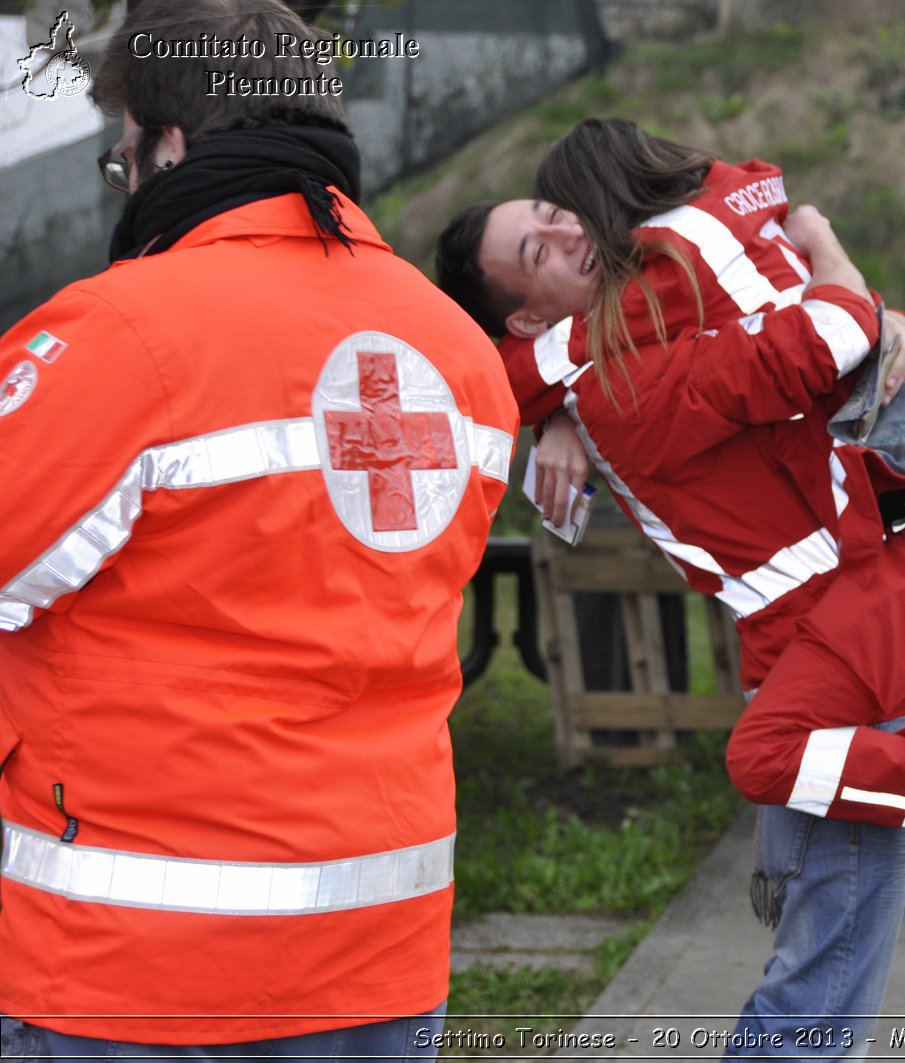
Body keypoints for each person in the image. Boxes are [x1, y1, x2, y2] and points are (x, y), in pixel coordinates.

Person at [436, 119, 905, 1046]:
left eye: (557, 213)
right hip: (888, 569)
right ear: (526, 315)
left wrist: (833, 261)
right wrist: (557, 414)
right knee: (834, 887)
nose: (574, 232)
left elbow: (826, 335)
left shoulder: (642, 335)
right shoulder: (623, 351)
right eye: (539, 247)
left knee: (801, 889)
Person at [0, 1, 518, 1058]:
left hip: (132, 966)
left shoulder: (123, 330)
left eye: (122, 163)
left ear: (170, 144)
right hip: (382, 948)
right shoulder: (458, 352)